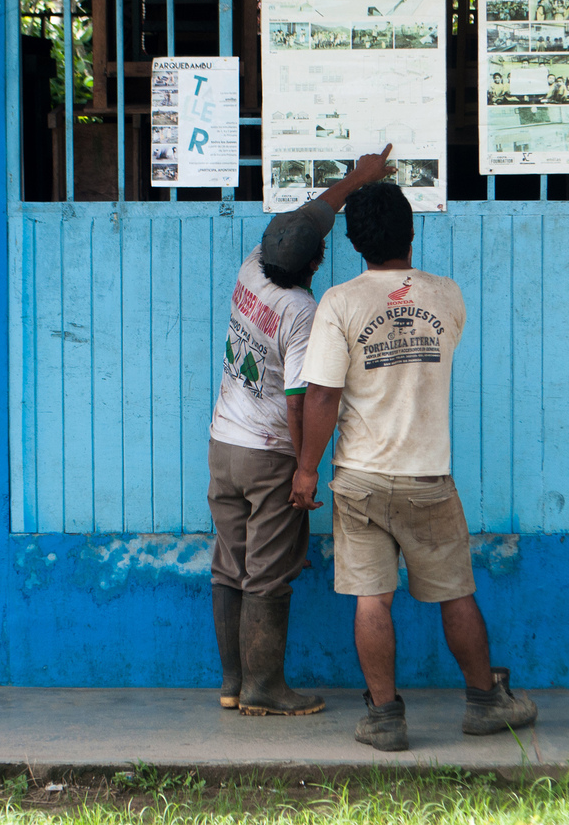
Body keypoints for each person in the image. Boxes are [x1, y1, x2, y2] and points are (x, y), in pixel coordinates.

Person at [290, 183, 538, 751]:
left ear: (353, 241)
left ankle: (384, 717)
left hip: (359, 478)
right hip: (428, 477)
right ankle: (484, 702)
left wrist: (307, 471)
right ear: (411, 231)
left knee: (372, 599)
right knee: (455, 593)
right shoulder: (446, 295)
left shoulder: (340, 303)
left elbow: (322, 396)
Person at [208, 144, 396, 717]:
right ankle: (265, 689)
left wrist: (350, 181)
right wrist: (303, 469)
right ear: (316, 267)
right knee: (266, 572)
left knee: (229, 563)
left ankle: (234, 682)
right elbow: (301, 400)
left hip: (223, 444)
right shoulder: (302, 312)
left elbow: (307, 218)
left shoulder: (250, 268)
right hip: (267, 455)